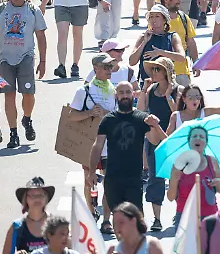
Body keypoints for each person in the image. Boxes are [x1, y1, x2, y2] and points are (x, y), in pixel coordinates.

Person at [89, 82, 166, 232]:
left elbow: (155, 141)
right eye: (121, 92)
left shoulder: (142, 118)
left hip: (134, 178)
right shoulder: (108, 120)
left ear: (133, 95)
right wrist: (92, 172)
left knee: (136, 221)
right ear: (116, 95)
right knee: (118, 222)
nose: (125, 96)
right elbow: (97, 146)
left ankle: (137, 252)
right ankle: (122, 253)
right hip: (113, 177)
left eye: (128, 92)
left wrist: (155, 126)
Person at [0, 0, 47, 148]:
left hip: (26, 57)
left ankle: (27, 118)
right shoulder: (0, 10)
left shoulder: (33, 11)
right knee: (9, 96)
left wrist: (43, 61)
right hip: (5, 59)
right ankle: (14, 133)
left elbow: (41, 36)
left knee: (28, 94)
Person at [69, 53, 119, 223]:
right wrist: (90, 113)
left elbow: (120, 116)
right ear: (95, 69)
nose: (109, 70)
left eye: (111, 67)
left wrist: (107, 114)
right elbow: (71, 116)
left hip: (110, 145)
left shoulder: (114, 91)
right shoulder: (84, 91)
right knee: (89, 180)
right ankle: (91, 212)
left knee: (110, 183)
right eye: (106, 67)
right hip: (90, 143)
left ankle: (106, 219)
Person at [137, 57, 183, 230]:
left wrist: (168, 95)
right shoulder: (151, 90)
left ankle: (180, 213)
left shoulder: (178, 90)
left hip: (173, 139)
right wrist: (143, 90)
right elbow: (141, 110)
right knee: (155, 178)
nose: (154, 73)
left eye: (158, 69)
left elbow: (177, 113)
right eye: (153, 69)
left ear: (167, 72)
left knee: (177, 177)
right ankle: (157, 218)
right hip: (154, 137)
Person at [165, 124, 220, 221]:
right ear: (189, 142)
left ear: (206, 142)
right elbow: (171, 197)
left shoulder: (212, 162)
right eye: (194, 136)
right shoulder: (179, 164)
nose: (198, 139)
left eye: (201, 137)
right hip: (185, 218)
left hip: (210, 217)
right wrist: (174, 180)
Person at [1, 178, 54, 254]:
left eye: (40, 195)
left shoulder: (56, 224)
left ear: (46, 198)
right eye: (33, 196)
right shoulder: (17, 227)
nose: (37, 199)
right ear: (26, 199)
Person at [129, 4, 185, 84]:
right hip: (146, 82)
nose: (153, 19)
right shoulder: (143, 37)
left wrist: (160, 52)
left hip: (166, 83)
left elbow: (182, 57)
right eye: (151, 17)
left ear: (164, 19)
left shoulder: (172, 36)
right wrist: (144, 42)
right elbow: (132, 62)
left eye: (157, 16)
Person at [155, 0, 198, 86]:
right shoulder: (156, 19)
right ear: (166, 0)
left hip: (182, 71)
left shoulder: (184, 18)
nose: (179, 1)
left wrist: (196, 62)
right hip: (162, 72)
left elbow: (191, 42)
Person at [100, 202, 165, 254]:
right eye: (115, 223)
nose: (117, 227)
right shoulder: (113, 249)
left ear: (133, 221)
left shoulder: (152, 245)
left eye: (121, 222)